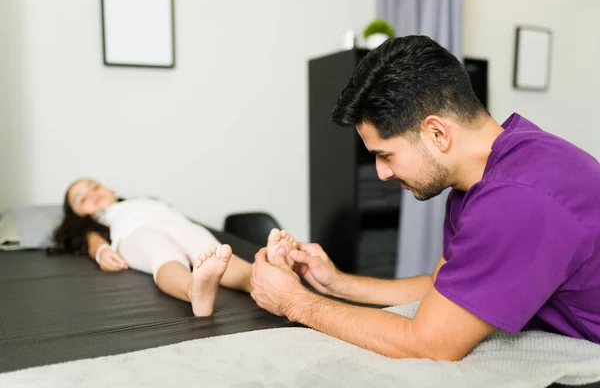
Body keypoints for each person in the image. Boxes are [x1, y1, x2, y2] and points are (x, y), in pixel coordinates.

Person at [249, 35, 600, 361]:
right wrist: (336, 282)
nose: (382, 173)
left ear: (437, 132)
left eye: (385, 155)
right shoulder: (488, 172)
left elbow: (431, 342)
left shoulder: (517, 199)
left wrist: (294, 302)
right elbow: (442, 291)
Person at [53, 178, 298, 316]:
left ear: (110, 189)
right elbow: (92, 240)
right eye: (81, 199)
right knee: (162, 254)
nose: (92, 195)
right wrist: (101, 251)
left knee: (212, 250)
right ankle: (195, 290)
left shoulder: (144, 201)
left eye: (94, 187)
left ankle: (261, 279)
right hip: (135, 234)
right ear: (76, 214)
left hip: (177, 224)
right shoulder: (96, 222)